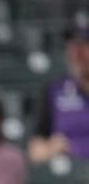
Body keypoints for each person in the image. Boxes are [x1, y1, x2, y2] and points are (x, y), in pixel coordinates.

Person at [29, 8, 89, 164]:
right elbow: (35, 150)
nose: (77, 52)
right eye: (72, 44)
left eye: (84, 45)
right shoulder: (55, 91)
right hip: (68, 176)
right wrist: (52, 148)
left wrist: (76, 148)